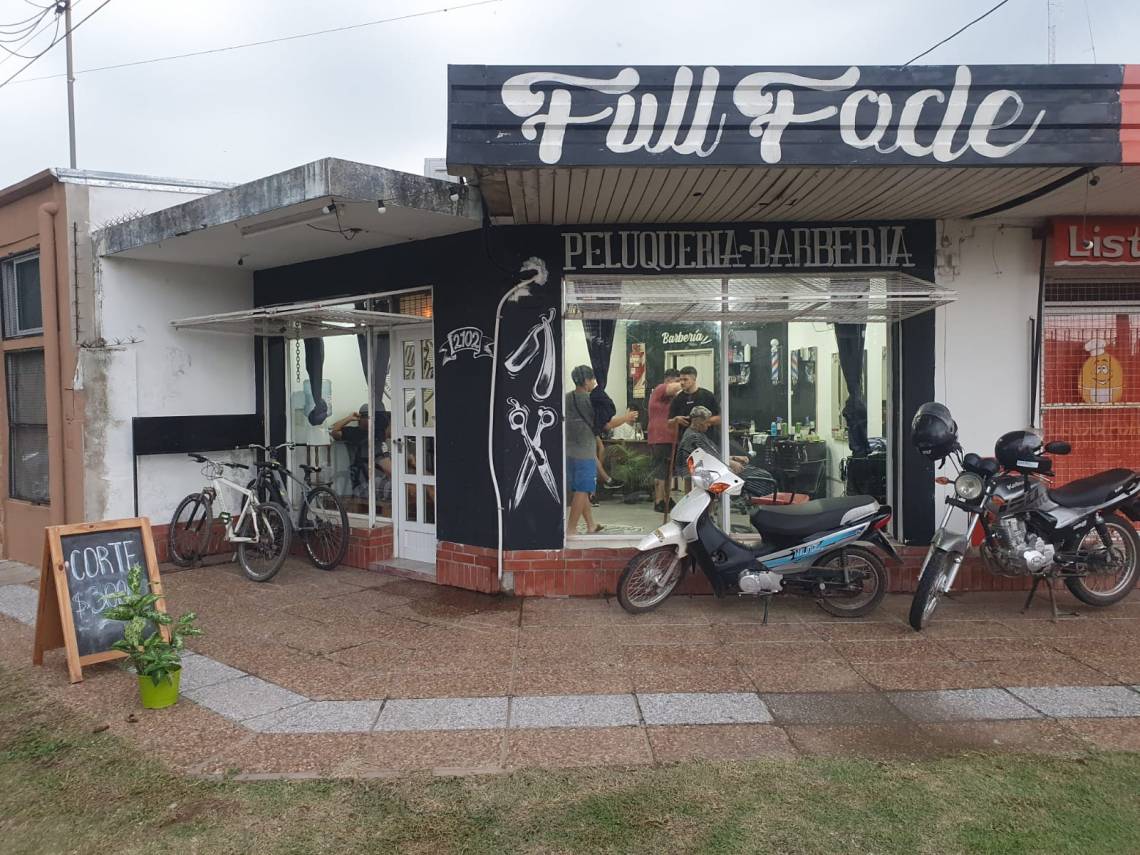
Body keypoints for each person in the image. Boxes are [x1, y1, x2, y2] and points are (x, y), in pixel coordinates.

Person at [565, 365, 604, 534]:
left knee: (580, 489)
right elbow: (605, 424)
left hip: (569, 452)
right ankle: (571, 529)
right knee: (582, 491)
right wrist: (626, 417)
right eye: (592, 379)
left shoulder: (566, 398)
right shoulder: (590, 400)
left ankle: (591, 525)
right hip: (585, 453)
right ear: (587, 380)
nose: (594, 382)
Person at [648, 368, 682, 513]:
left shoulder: (672, 399)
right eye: (679, 380)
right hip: (660, 437)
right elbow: (675, 387)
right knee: (660, 470)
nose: (680, 384)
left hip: (671, 438)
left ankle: (667, 498)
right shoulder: (660, 389)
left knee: (669, 472)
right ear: (669, 380)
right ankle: (659, 501)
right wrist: (688, 382)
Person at [677, 406, 749, 474]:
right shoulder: (693, 438)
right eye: (707, 422)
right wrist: (731, 463)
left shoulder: (700, 434)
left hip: (708, 468)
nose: (709, 425)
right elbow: (709, 459)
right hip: (699, 474)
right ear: (699, 423)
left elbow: (714, 454)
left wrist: (734, 458)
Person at [668, 365, 721, 436]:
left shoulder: (707, 396)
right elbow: (669, 423)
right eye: (680, 379)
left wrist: (705, 421)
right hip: (686, 440)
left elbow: (720, 418)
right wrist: (676, 420)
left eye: (685, 379)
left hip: (706, 440)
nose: (682, 382)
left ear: (694, 379)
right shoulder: (677, 399)